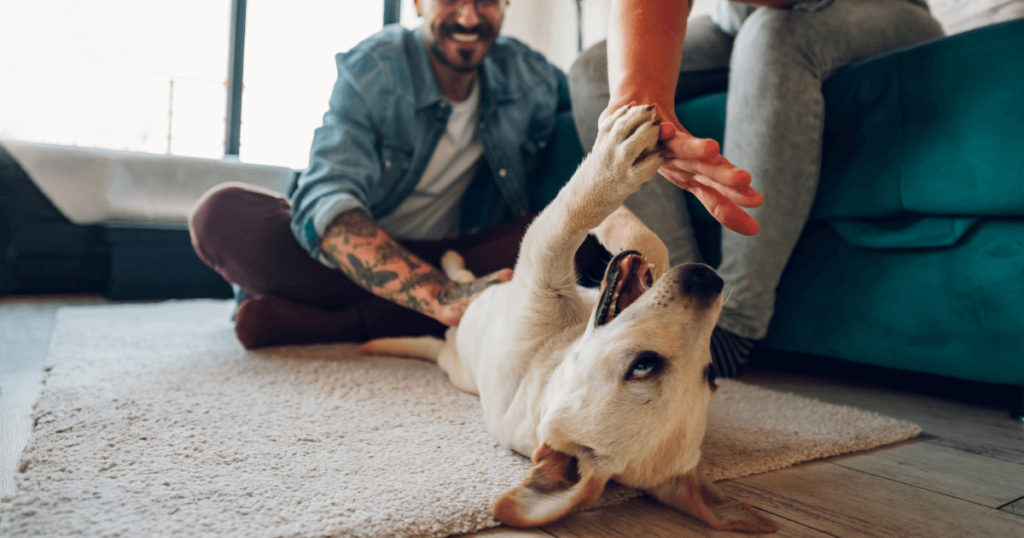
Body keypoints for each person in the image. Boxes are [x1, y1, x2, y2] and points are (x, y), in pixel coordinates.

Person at [569, 0, 944, 376]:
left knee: (772, 32)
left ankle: (734, 322)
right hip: (734, 23)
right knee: (593, 73)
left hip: (875, 10)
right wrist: (640, 95)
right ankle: (681, 306)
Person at [189, 0, 581, 349]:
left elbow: (592, 139)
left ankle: (336, 324)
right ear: (417, 3)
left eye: (485, 1)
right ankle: (418, 318)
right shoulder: (375, 67)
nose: (467, 16)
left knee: (585, 237)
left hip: (459, 255)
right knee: (220, 215)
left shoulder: (531, 75)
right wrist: (441, 295)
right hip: (354, 260)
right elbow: (326, 198)